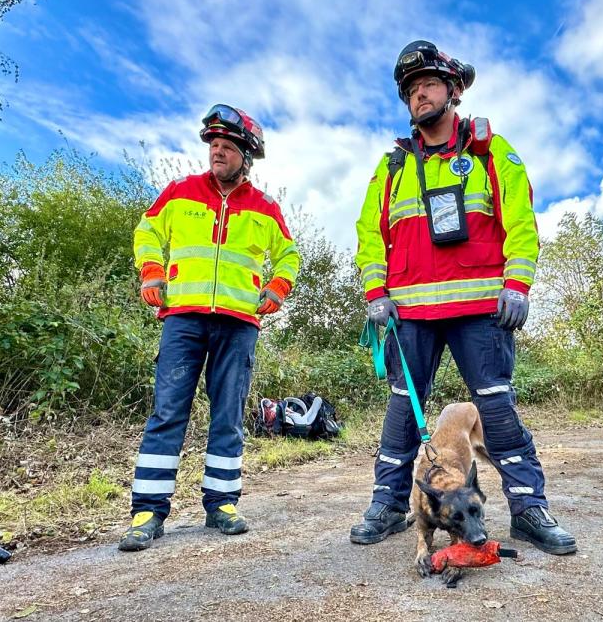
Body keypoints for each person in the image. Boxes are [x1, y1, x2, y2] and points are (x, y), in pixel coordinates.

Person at [351, 41, 577, 555]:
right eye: (410, 90)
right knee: (402, 414)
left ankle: (529, 509)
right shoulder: (391, 168)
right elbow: (369, 231)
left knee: (496, 413)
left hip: (480, 308)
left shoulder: (492, 153)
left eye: (429, 84)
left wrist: (518, 285)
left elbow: (520, 222)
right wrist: (375, 291)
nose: (419, 95)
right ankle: (389, 506)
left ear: (453, 91)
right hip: (409, 311)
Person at [118, 104, 300, 551]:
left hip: (239, 324)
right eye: (214, 145)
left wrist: (276, 289)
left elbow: (290, 255)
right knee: (168, 411)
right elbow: (146, 231)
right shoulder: (179, 191)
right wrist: (150, 269)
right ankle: (148, 511)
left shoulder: (265, 206)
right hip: (183, 319)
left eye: (227, 147)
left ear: (246, 154)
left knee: (228, 415)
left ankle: (222, 503)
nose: (217, 152)